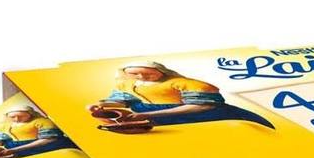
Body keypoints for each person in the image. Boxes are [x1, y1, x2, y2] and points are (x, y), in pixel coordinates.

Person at [88, 61, 273, 129]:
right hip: (143, 111)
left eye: (148, 73)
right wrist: (104, 105)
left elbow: (203, 106)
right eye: (135, 74)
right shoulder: (128, 83)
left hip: (189, 113)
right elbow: (124, 101)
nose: (142, 77)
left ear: (161, 71)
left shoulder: (186, 84)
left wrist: (149, 114)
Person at [0, 104, 75, 158]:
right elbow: (1, 139)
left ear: (30, 114)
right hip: (15, 147)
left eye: (21, 116)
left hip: (41, 146)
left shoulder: (42, 121)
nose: (17, 119)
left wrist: (15, 150)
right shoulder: (6, 125)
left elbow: (48, 139)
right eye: (13, 117)